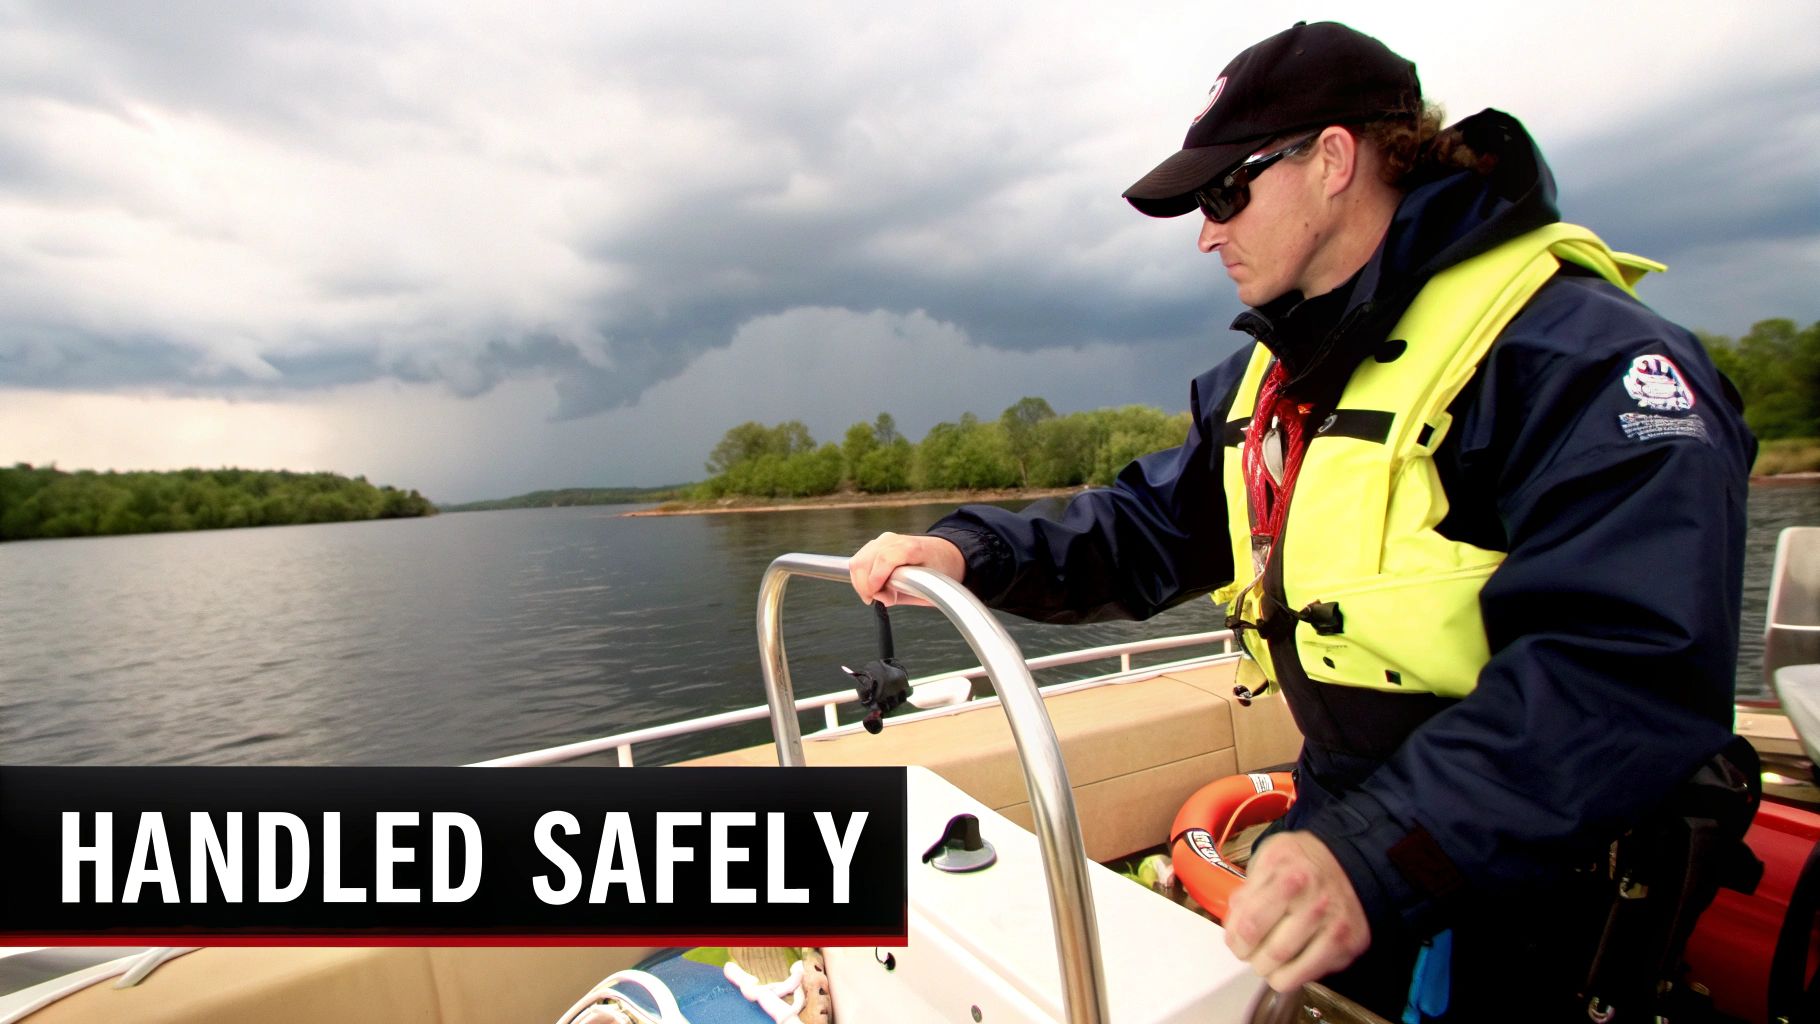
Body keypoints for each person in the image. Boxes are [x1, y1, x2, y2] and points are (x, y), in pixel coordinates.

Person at [847, 20, 1757, 1023]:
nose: (1204, 231)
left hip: (1540, 871)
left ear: (1332, 159)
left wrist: (1369, 853)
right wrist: (965, 549)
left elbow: (1622, 668)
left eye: (1224, 193)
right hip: (1358, 825)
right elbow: (1143, 527)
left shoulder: (1579, 361)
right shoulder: (1279, 381)